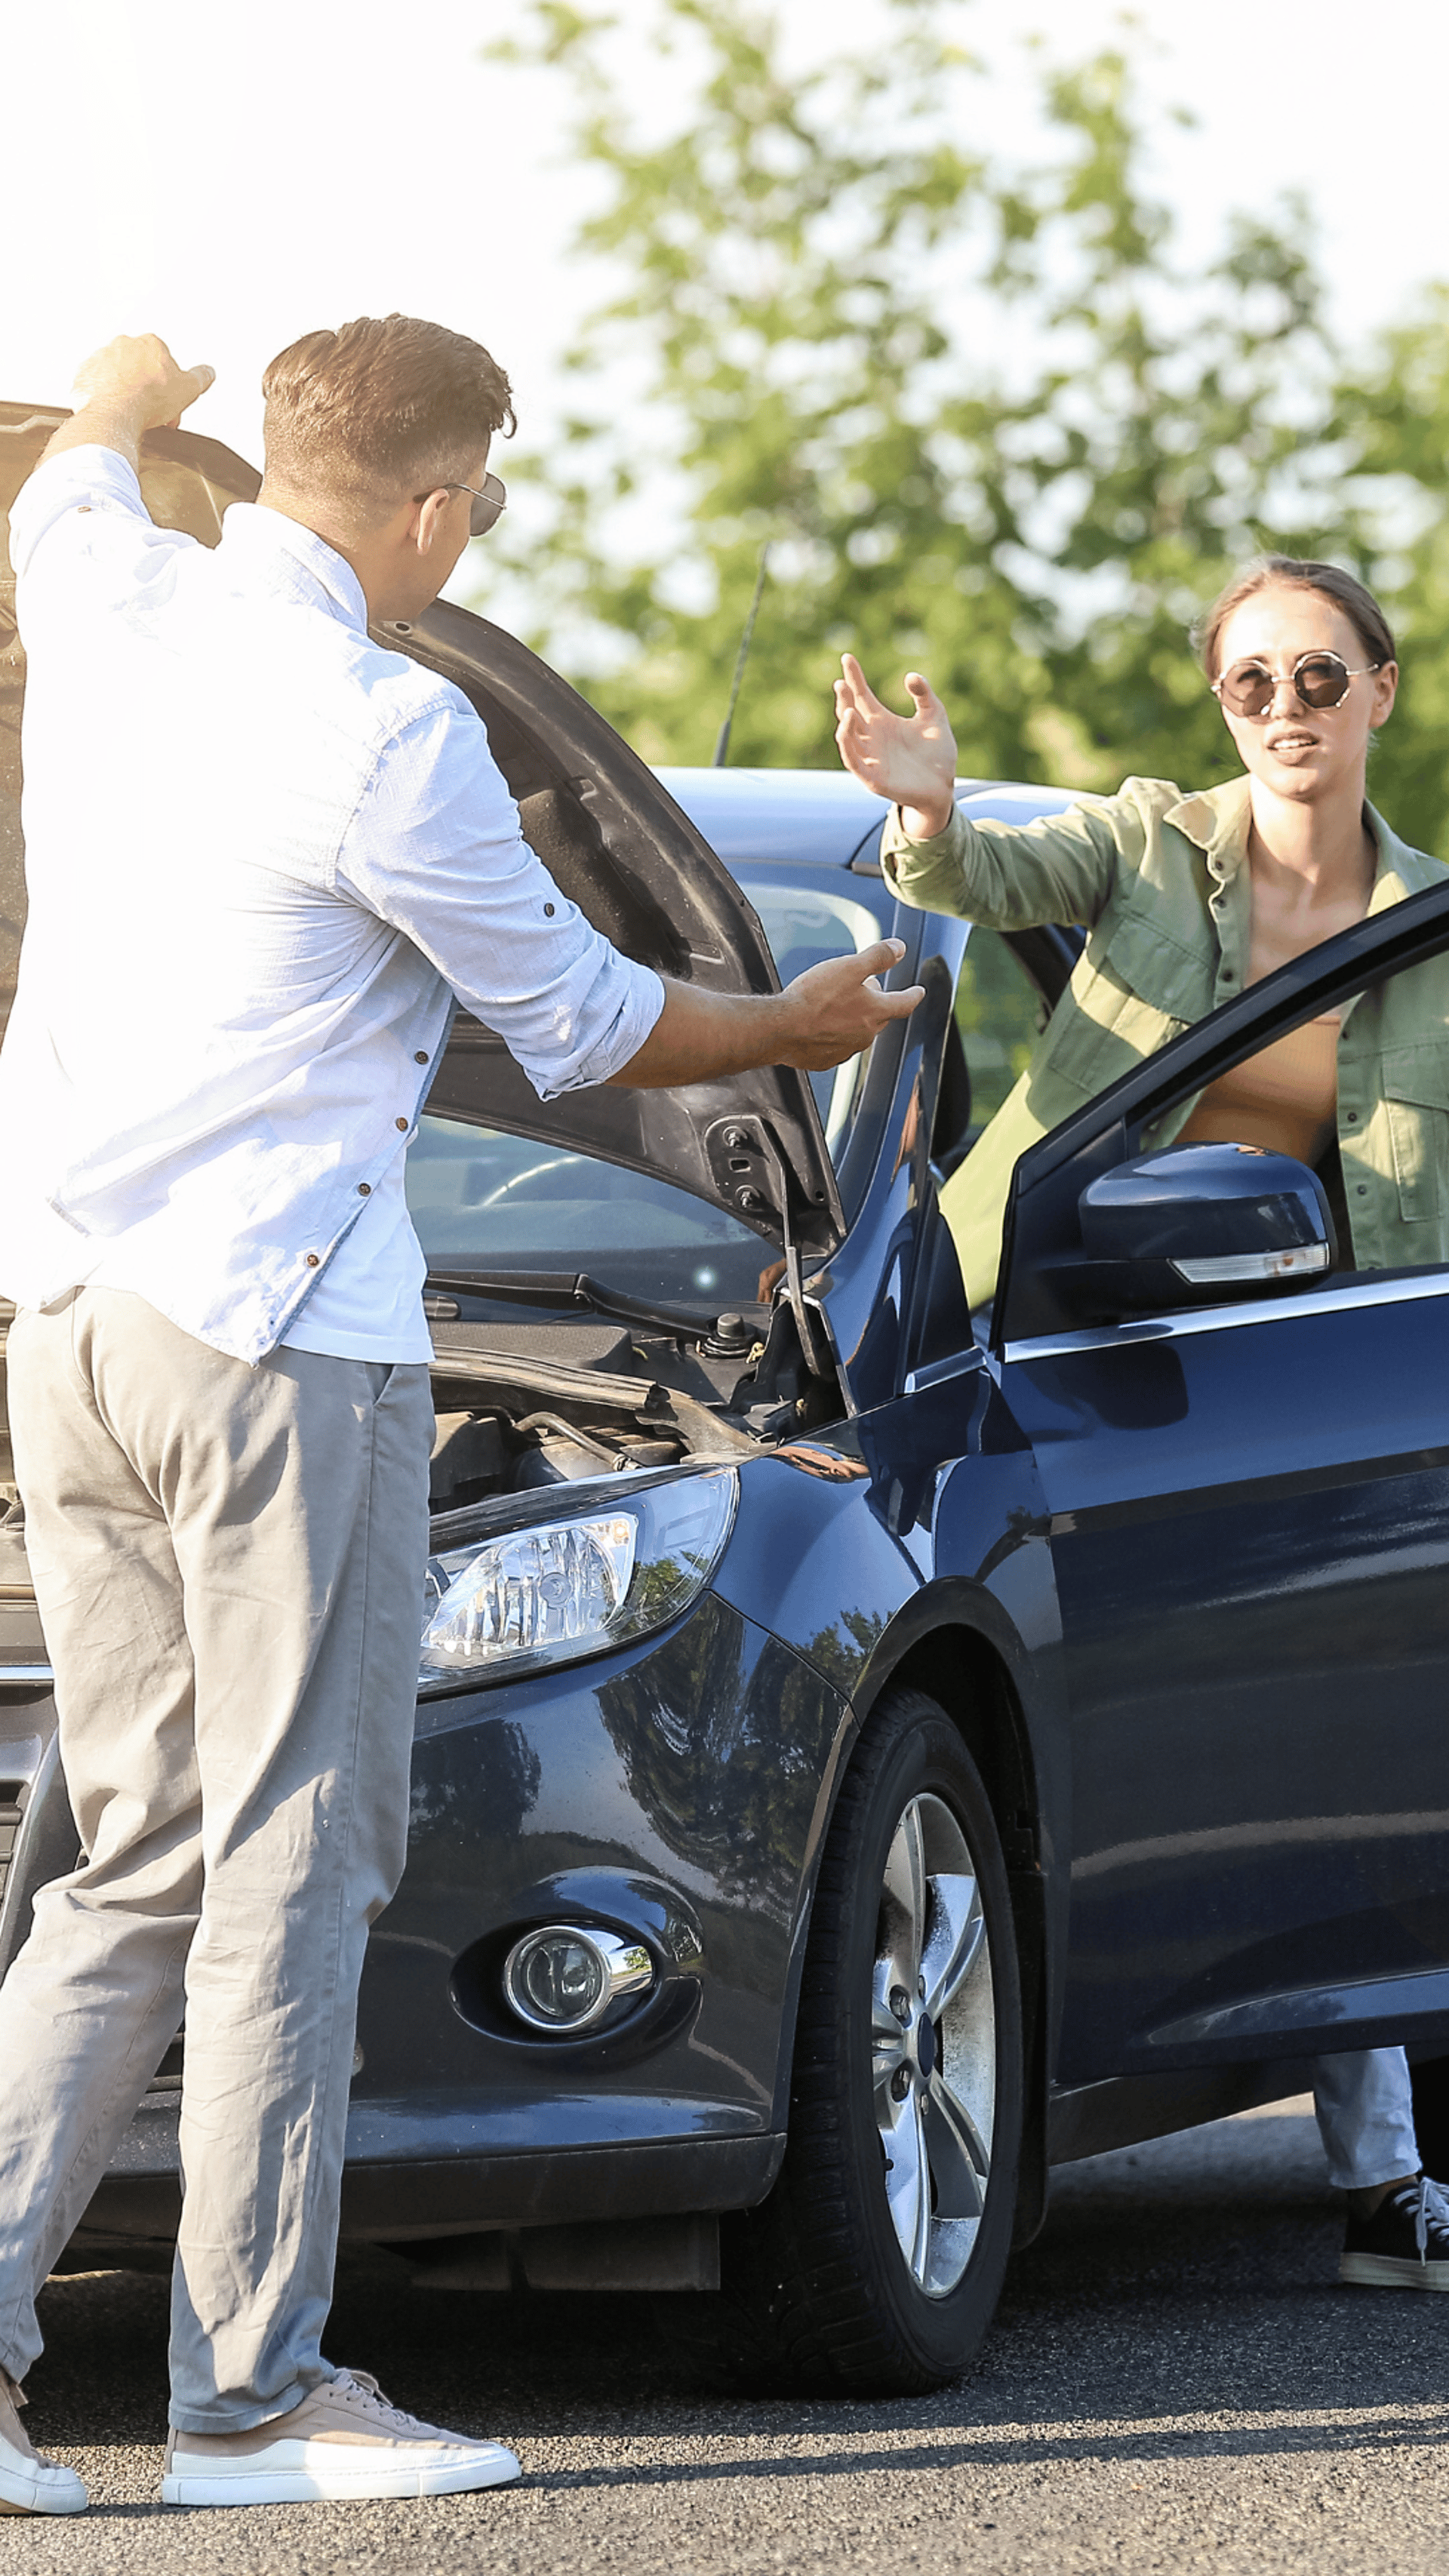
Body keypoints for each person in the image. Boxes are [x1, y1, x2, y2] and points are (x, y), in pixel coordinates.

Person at [0, 322, 923, 2520]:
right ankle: (252, 2402)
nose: (477, 534)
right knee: (297, 1857)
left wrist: (121, 384)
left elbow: (73, 476)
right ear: (432, 505)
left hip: (68, 1320)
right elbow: (581, 1018)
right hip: (278, 1333)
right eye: (482, 499)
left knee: (133, 1854)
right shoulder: (384, 727)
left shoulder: (103, 604)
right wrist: (793, 1021)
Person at [835, 556, 1449, 2297]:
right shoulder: (1146, 847)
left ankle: (1384, 2177)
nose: (1285, 711)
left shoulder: (1429, 927)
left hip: (1311, 1364)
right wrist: (929, 810)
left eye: (1318, 677)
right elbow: (986, 876)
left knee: (1349, 1739)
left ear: (1380, 689)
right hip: (1045, 1330)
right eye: (1252, 682)